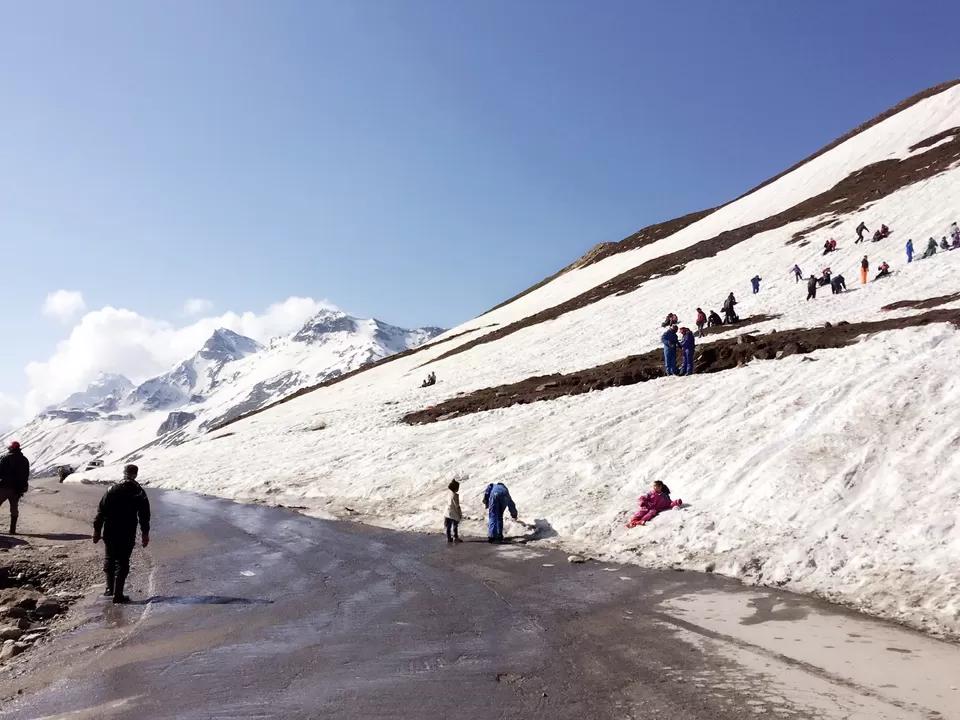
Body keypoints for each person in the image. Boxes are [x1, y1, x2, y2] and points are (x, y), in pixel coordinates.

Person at [93, 464, 151, 603]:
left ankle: (109, 590)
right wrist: (145, 533)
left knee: (110, 558)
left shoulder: (112, 489)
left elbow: (101, 512)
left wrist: (97, 530)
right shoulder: (139, 492)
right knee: (123, 561)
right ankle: (118, 594)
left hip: (110, 530)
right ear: (136, 474)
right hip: (127, 531)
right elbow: (144, 515)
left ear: (124, 473)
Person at [0, 441, 30, 535]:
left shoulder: (5, 458)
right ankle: (12, 530)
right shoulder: (24, 460)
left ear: (11, 448)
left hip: (5, 486)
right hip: (17, 488)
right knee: (14, 508)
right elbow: (26, 475)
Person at [444, 479, 463, 543]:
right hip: (453, 512)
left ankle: (448, 537)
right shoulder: (454, 495)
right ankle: (456, 537)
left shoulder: (449, 494)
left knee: (448, 526)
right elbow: (456, 506)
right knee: (455, 525)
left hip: (447, 511)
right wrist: (460, 514)